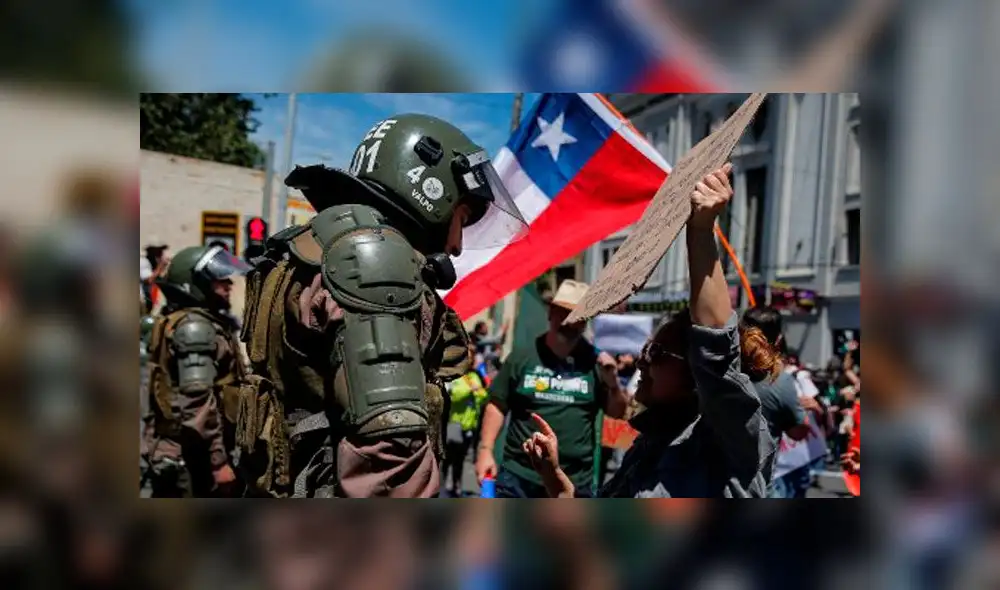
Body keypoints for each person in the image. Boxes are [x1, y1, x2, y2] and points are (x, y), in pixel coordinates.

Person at [236, 114, 528, 498]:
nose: (456, 245)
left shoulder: (319, 245)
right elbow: (389, 460)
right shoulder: (375, 263)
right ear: (431, 193)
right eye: (462, 217)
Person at [521, 163, 777, 498]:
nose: (641, 362)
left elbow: (715, 346)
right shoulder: (648, 443)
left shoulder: (727, 438)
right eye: (645, 350)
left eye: (655, 353)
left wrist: (700, 229)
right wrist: (554, 476)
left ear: (695, 373)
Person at [474, 278, 630, 498]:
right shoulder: (522, 357)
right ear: (550, 313)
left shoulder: (596, 363)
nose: (569, 322)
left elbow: (617, 412)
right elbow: (497, 404)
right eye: (563, 313)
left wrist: (613, 383)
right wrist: (485, 450)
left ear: (585, 322)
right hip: (521, 478)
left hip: (574, 482)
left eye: (577, 316)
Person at [141, 245, 251, 497]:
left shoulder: (188, 320)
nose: (228, 285)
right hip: (194, 455)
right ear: (195, 285)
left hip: (189, 448)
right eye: (219, 281)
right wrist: (218, 462)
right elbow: (196, 400)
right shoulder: (194, 328)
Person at [739, 306, 820, 497]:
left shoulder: (722, 372)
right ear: (779, 340)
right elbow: (798, 432)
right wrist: (804, 410)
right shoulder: (780, 381)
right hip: (757, 489)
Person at [442, 345, 489, 496]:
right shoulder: (455, 375)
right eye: (467, 356)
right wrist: (469, 390)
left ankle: (457, 486)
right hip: (454, 424)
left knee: (461, 459)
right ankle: (441, 486)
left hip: (470, 425)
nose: (470, 360)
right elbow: (453, 396)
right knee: (448, 457)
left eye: (471, 357)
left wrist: (477, 391)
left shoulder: (474, 376)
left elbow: (483, 395)